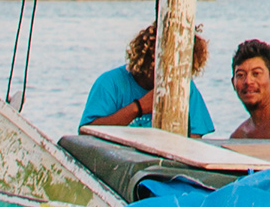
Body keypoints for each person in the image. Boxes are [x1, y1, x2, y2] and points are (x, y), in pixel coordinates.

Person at [82, 21, 213, 135]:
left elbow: (196, 135)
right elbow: (86, 132)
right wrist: (138, 108)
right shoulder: (110, 83)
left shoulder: (185, 87)